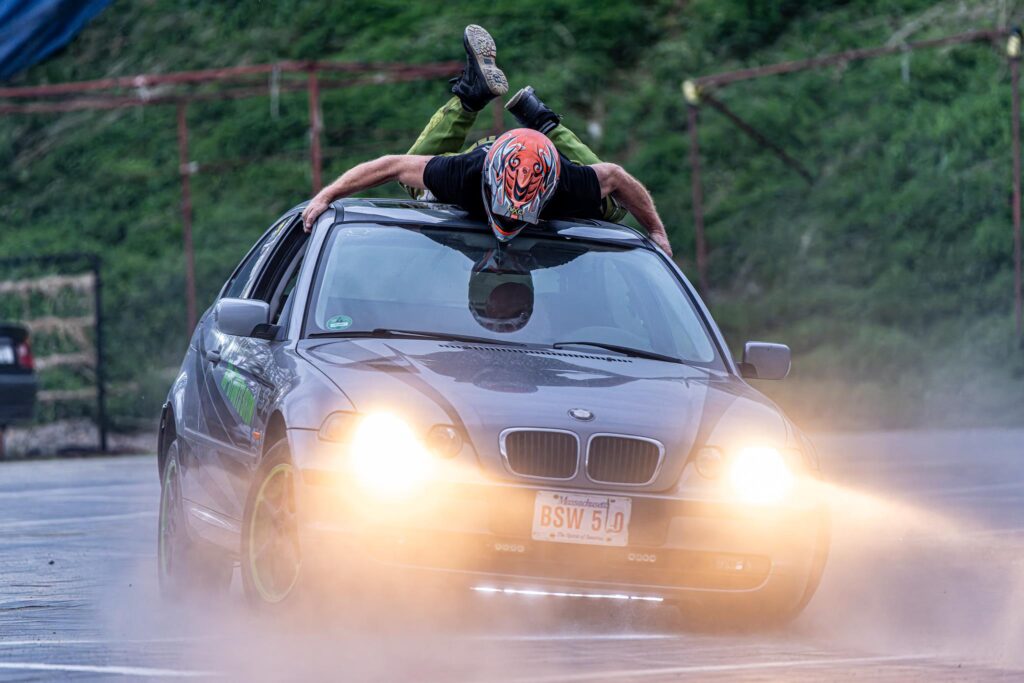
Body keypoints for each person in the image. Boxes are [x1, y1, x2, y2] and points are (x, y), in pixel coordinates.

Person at [301, 25, 672, 256]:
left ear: (549, 187)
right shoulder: (465, 173)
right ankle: (511, 108)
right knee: (413, 183)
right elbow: (391, 166)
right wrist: (326, 196)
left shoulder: (568, 183)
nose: (509, 219)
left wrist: (656, 230)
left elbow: (616, 176)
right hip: (485, 158)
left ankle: (490, 103)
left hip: (545, 163)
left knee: (614, 205)